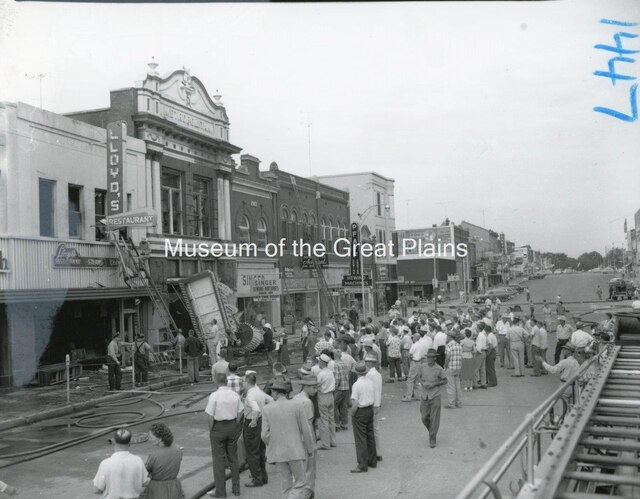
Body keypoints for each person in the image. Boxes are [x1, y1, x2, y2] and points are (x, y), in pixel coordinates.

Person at [261, 379, 315, 498]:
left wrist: (274, 442)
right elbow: (306, 430)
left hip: (278, 452)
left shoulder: (266, 409)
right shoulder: (297, 405)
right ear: (286, 392)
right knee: (300, 482)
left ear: (274, 392)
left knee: (285, 484)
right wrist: (310, 449)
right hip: (296, 450)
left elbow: (264, 435)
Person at [205, 373, 243, 498]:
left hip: (218, 428)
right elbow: (240, 412)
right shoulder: (234, 395)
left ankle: (220, 492)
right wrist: (235, 425)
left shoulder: (214, 396)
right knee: (233, 458)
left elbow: (210, 416)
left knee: (219, 461)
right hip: (232, 426)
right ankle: (236, 489)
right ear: (226, 381)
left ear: (216, 382)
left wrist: (212, 430)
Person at [93, 428, 149, 499]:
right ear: (129, 443)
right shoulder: (138, 461)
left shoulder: (105, 463)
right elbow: (145, 483)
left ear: (114, 442)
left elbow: (97, 490)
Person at [243, 372, 273, 488]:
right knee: (261, 450)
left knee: (252, 452)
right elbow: (270, 399)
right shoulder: (259, 391)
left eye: (244, 382)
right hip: (261, 422)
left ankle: (256, 479)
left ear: (247, 382)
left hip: (251, 422)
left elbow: (255, 409)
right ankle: (263, 476)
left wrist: (253, 420)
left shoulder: (250, 394)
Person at [140, 423, 184, 499]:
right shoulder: (178, 449)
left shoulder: (154, 455)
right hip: (174, 487)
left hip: (157, 489)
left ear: (160, 439)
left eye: (151, 437)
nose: (149, 440)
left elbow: (145, 471)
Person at [416, 349, 448, 448]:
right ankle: (432, 430)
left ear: (435, 358)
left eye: (431, 357)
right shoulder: (422, 366)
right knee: (424, 417)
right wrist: (422, 382)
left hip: (435, 396)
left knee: (434, 419)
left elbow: (445, 380)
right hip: (424, 395)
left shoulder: (439, 369)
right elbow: (418, 376)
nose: (429, 359)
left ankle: (432, 438)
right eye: (428, 357)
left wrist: (434, 384)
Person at [350, 361, 377, 473]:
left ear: (357, 373)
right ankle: (372, 460)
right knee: (370, 435)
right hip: (369, 409)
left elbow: (355, 402)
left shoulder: (356, 385)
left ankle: (362, 464)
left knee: (360, 438)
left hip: (360, 411)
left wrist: (352, 413)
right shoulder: (370, 382)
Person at [293, 376, 318, 497]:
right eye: (314, 387)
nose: (316, 390)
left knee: (299, 470)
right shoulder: (307, 402)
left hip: (295, 439)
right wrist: (312, 445)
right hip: (305, 439)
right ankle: (307, 494)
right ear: (306, 386)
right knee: (310, 470)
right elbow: (308, 427)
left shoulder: (295, 398)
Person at [315, 353, 336, 450]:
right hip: (331, 396)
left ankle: (325, 443)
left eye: (319, 361)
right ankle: (333, 440)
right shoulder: (331, 372)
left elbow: (317, 385)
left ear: (322, 362)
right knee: (331, 419)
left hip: (323, 396)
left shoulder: (321, 373)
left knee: (323, 420)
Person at [364, 354, 383, 462]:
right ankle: (378, 452)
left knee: (371, 430)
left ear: (370, 363)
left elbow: (371, 390)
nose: (366, 364)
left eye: (367, 362)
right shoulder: (378, 374)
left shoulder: (370, 375)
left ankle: (374, 453)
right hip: (377, 403)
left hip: (372, 404)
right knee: (376, 429)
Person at [333, 348, 351, 432]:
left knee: (334, 405)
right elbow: (348, 376)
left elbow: (337, 378)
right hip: (346, 387)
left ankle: (337, 424)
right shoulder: (344, 364)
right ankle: (344, 423)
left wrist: (334, 387)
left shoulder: (336, 365)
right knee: (343, 406)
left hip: (339, 388)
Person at [444, 331, 463, 408]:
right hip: (458, 367)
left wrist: (445, 366)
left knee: (450, 386)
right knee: (457, 385)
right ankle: (458, 402)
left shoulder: (448, 345)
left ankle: (451, 403)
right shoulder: (459, 345)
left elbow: (448, 357)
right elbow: (461, 357)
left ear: (449, 337)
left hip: (451, 367)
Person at [474, 323, 488, 389]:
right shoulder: (484, 334)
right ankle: (483, 383)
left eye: (477, 327)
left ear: (479, 328)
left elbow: (479, 347)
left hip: (480, 352)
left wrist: (476, 352)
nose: (476, 328)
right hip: (484, 351)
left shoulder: (479, 335)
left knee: (476, 369)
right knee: (483, 369)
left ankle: (475, 384)